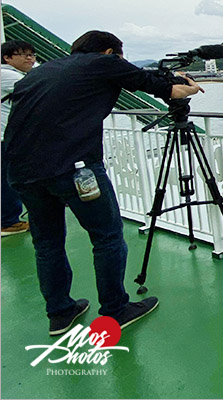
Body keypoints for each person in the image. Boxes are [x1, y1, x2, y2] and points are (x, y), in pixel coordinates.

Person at [3, 30, 203, 335]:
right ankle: (115, 310)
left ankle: (60, 312)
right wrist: (187, 88)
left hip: (22, 171)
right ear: (111, 52)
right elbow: (167, 90)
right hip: (73, 168)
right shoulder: (103, 62)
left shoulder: (44, 70)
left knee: (47, 244)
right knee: (107, 237)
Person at [1, 40, 37, 236]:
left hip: (7, 136)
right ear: (7, 58)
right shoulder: (7, 75)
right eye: (24, 55)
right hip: (5, 137)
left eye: (32, 55)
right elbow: (37, 89)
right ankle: (8, 222)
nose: (30, 59)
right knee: (9, 180)